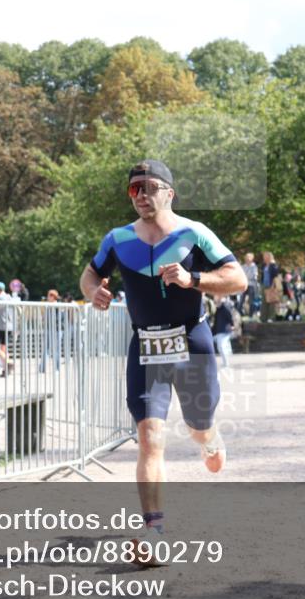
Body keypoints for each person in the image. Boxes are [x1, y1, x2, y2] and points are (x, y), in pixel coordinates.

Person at [79, 159, 247, 560]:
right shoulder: (117, 239)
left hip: (192, 341)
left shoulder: (195, 233)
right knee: (150, 438)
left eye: (149, 187)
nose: (140, 195)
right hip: (146, 348)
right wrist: (92, 293)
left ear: (169, 192)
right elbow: (88, 275)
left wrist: (195, 280)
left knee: (198, 425)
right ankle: (154, 531)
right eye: (133, 188)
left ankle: (209, 439)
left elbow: (238, 279)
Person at [211, 295, 235, 368]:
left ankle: (226, 363)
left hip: (224, 330)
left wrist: (232, 325)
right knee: (221, 347)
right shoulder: (219, 309)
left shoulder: (224, 307)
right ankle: (226, 361)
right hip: (219, 330)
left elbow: (230, 316)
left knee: (221, 347)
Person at [260, 252, 280, 323]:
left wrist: (273, 285)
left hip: (271, 285)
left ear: (269, 257)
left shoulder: (273, 265)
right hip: (264, 285)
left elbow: (275, 276)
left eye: (265, 256)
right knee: (264, 302)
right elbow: (262, 275)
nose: (264, 258)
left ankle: (271, 317)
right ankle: (263, 318)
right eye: (264, 256)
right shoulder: (263, 265)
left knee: (272, 301)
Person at [240, 253, 259, 317]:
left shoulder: (254, 266)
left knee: (251, 301)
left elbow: (254, 276)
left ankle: (251, 315)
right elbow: (240, 275)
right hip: (244, 285)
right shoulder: (243, 266)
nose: (247, 259)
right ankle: (240, 313)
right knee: (241, 300)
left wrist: (246, 277)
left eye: (249, 257)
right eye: (246, 257)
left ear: (252, 258)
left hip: (251, 285)